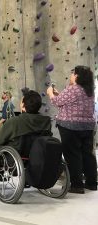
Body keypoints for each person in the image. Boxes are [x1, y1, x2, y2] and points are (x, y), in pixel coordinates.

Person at [47, 66, 97, 194]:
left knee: (73, 155)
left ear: (77, 76)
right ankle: (92, 183)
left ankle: (76, 185)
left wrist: (51, 93)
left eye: (73, 73)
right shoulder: (89, 90)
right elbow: (71, 101)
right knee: (87, 155)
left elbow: (57, 102)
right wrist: (59, 94)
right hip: (87, 126)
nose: (71, 75)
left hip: (70, 126)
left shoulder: (73, 88)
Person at [0, 90, 52, 176]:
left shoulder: (15, 121)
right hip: (39, 159)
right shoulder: (46, 121)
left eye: (21, 102)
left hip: (16, 160)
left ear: (24, 106)